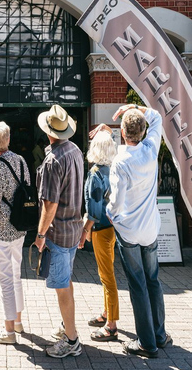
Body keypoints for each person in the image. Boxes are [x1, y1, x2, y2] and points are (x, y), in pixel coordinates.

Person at [94, 104, 172, 359]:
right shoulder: (150, 150)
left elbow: (116, 201)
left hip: (128, 231)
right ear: (141, 132)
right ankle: (159, 335)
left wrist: (111, 215)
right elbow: (158, 116)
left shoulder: (120, 161)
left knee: (137, 285)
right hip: (150, 229)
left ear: (124, 134)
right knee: (153, 281)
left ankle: (147, 344)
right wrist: (135, 107)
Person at [34, 105, 84, 359]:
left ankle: (72, 340)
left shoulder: (54, 160)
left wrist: (41, 235)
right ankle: (68, 327)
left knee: (61, 286)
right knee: (67, 281)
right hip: (73, 229)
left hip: (59, 231)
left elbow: (50, 204)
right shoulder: (74, 150)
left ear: (48, 132)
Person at [0, 121, 27, 345]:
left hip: (1, 230)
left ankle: (9, 332)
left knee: (6, 280)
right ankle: (18, 321)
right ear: (8, 139)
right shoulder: (21, 161)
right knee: (16, 274)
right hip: (19, 227)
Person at [78, 130, 119, 343]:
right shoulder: (112, 169)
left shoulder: (95, 173)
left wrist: (83, 233)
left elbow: (93, 210)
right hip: (111, 227)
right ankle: (106, 313)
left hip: (100, 229)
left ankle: (111, 325)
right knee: (106, 272)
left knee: (107, 276)